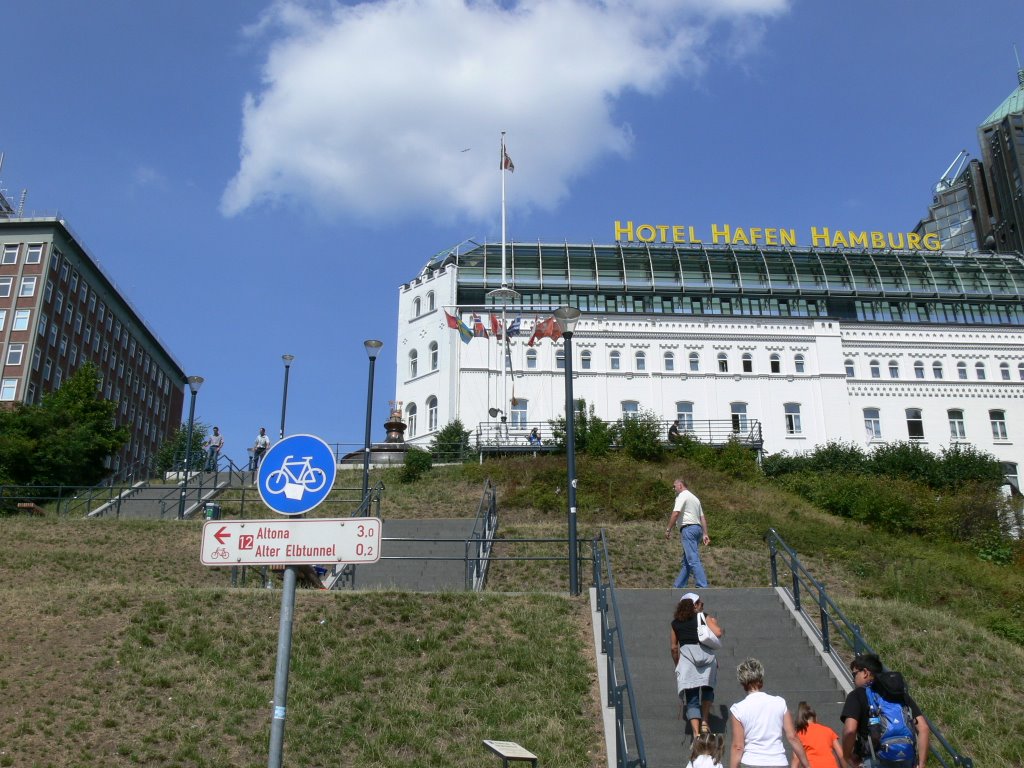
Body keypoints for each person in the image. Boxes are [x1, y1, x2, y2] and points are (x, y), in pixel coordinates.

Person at [841, 654, 929, 768]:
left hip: (874, 760)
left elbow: (850, 730)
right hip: (906, 759)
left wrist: (846, 756)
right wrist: (921, 763)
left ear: (865, 673)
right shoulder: (899, 694)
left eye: (854, 674)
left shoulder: (857, 695)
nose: (853, 679)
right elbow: (924, 728)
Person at [728, 658, 810, 768]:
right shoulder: (779, 703)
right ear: (761, 680)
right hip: (778, 761)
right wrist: (807, 765)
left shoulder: (738, 709)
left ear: (743, 683)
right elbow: (792, 737)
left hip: (752, 761)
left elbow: (738, 746)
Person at [671, 594, 722, 740]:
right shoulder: (703, 617)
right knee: (708, 689)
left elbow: (674, 647)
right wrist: (715, 623)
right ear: (693, 605)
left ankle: (695, 733)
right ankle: (705, 722)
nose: (702, 604)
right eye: (699, 602)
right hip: (707, 659)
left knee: (692, 697)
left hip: (687, 661)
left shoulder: (675, 623)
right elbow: (718, 633)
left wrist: (677, 664)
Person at [664, 478, 710, 588]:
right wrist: (705, 534)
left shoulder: (682, 495)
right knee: (687, 562)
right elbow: (702, 517)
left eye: (674, 486)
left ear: (680, 485)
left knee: (692, 559)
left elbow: (676, 513)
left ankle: (703, 586)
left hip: (688, 529)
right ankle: (678, 587)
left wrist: (668, 529)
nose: (674, 489)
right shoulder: (695, 499)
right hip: (697, 529)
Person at [792, 701, 842, 768]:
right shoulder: (828, 730)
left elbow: (796, 760)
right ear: (815, 717)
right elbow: (841, 755)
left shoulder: (799, 734)